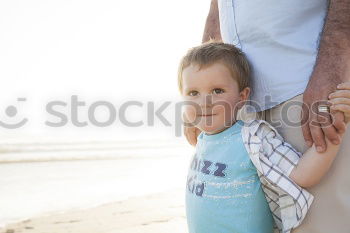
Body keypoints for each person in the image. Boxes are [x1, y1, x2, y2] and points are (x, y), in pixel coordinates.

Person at [185, 1, 350, 232]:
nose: (205, 102)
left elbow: (301, 175)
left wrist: (336, 131)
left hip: (299, 77)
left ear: (241, 96)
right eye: (194, 93)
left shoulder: (252, 137)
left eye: (217, 91)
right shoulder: (206, 137)